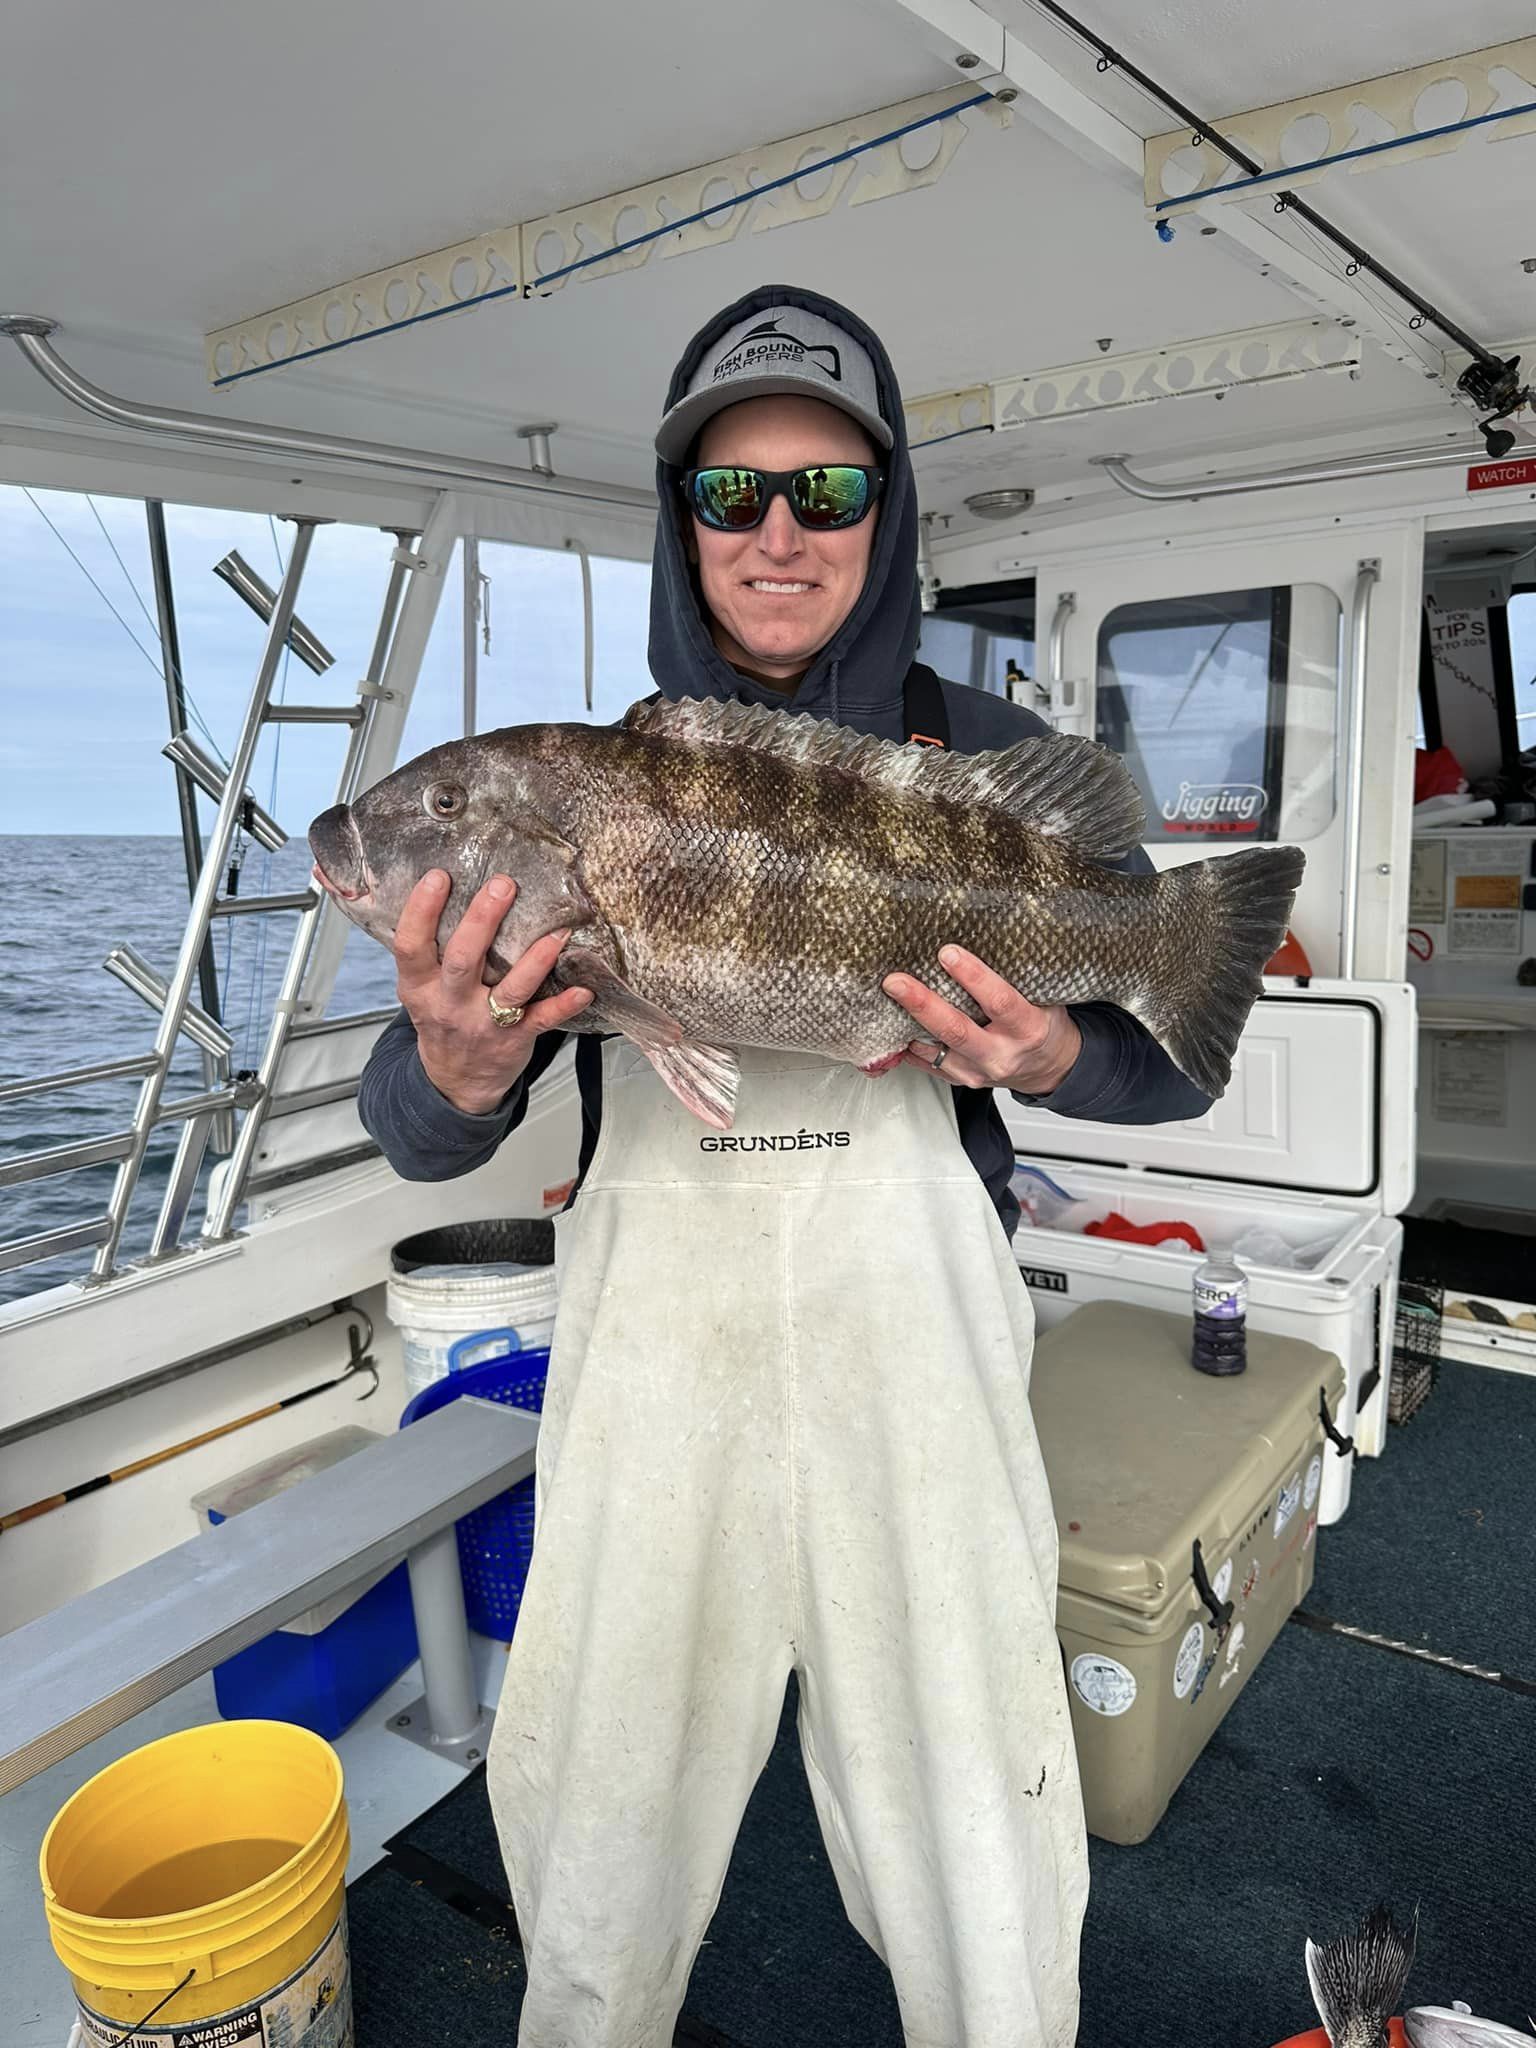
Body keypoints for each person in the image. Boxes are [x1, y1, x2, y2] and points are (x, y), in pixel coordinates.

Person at [359, 285, 1213, 2048]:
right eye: (731, 495)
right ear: (679, 523)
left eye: (824, 495)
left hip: (913, 1324)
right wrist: (458, 1055)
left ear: (882, 519)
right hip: (659, 1346)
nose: (775, 535)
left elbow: (1160, 1073)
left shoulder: (981, 766)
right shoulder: (591, 779)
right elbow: (416, 1118)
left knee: (969, 1779)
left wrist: (1049, 1052)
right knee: (602, 1786)